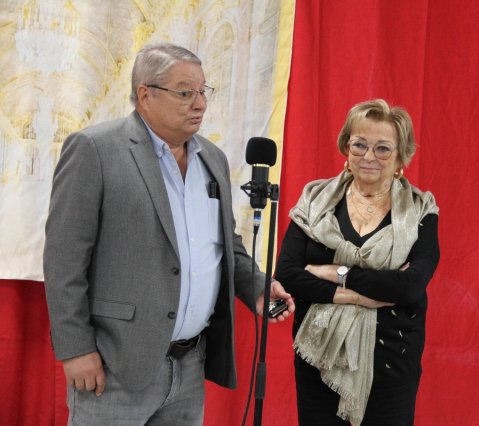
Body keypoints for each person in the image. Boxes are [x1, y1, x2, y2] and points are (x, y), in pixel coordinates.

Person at [43, 43, 294, 425]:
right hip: (115, 365)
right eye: (185, 92)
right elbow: (63, 259)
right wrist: (75, 349)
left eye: (203, 91)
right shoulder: (95, 150)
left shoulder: (212, 158)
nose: (200, 104)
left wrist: (256, 286)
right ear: (145, 94)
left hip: (190, 366)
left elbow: (225, 242)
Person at [274, 99, 439, 426]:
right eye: (359, 144)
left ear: (401, 157)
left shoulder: (420, 210)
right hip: (319, 358)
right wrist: (357, 296)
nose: (369, 156)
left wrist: (336, 273)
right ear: (346, 148)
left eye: (382, 149)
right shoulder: (315, 201)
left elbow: (408, 287)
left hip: (391, 361)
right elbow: (288, 274)